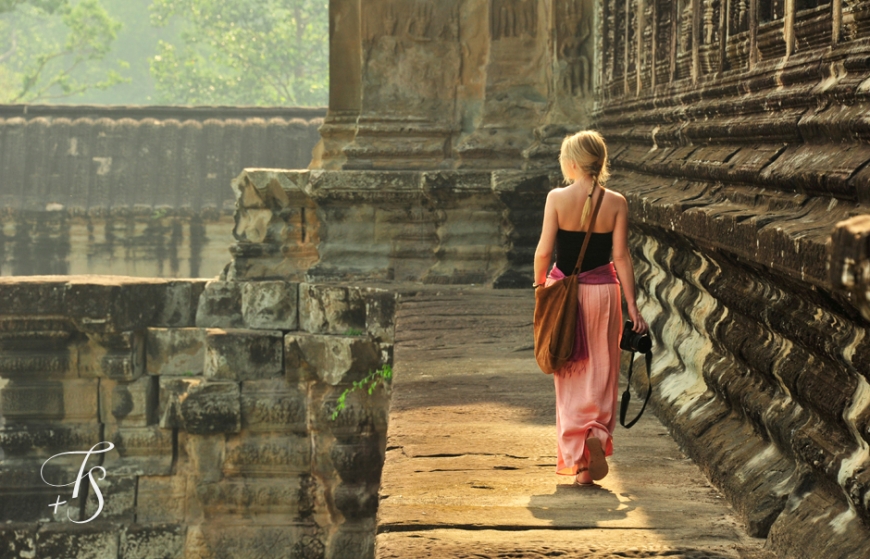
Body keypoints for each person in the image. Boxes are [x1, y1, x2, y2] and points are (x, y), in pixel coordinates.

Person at [533, 130, 649, 486]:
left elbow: (543, 252)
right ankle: (596, 435)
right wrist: (633, 306)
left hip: (565, 293)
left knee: (569, 372)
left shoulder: (557, 197)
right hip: (605, 295)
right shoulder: (617, 202)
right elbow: (621, 257)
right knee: (602, 372)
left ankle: (578, 459)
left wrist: (541, 290)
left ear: (572, 163)